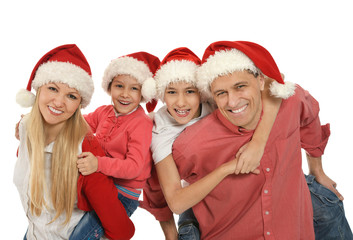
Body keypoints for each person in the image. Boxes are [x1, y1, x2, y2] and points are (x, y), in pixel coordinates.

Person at [169, 40, 335, 239]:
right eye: (221, 93)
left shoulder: (291, 101)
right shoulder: (192, 144)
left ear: (261, 81)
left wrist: (317, 169)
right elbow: (161, 188)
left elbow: (310, 119)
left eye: (240, 87)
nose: (232, 101)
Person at [140, 47, 282, 240]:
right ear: (162, 95)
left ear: (202, 93)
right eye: (172, 92)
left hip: (243, 194)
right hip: (197, 203)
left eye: (190, 91)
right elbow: (175, 201)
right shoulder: (161, 131)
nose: (181, 103)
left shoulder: (220, 102)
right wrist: (226, 169)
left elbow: (276, 82)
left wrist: (258, 142)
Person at [14, 44, 134, 240]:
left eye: (71, 96)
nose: (59, 102)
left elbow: (121, 229)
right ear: (38, 89)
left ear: (79, 104)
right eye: (53, 88)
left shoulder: (84, 147)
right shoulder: (27, 128)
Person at [76, 52, 160, 218]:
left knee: (83, 234)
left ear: (143, 93)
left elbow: (134, 168)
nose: (125, 94)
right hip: (101, 184)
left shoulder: (140, 123)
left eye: (134, 88)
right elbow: (78, 125)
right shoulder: (104, 112)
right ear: (110, 87)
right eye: (119, 86)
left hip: (124, 193)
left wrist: (98, 164)